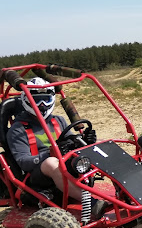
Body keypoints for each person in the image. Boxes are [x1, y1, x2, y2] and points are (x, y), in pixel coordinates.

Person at [6, 78, 96, 206]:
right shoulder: (18, 129)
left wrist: (85, 140)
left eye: (46, 99)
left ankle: (125, 193)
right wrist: (49, 153)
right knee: (51, 163)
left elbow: (71, 141)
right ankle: (91, 202)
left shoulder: (58, 121)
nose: (42, 104)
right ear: (27, 100)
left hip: (63, 162)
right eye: (37, 100)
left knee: (99, 147)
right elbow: (23, 162)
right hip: (37, 175)